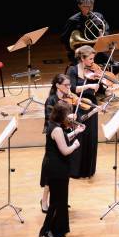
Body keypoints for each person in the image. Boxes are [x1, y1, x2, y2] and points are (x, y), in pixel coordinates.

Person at [39, 101, 83, 237]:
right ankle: (52, 230)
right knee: (58, 201)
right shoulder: (57, 129)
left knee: (59, 200)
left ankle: (55, 228)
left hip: (55, 167)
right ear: (62, 115)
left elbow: (62, 140)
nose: (70, 117)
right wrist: (75, 145)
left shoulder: (54, 126)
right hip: (57, 168)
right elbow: (64, 150)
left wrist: (75, 132)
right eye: (68, 114)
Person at [67, 46, 102, 178]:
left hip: (91, 105)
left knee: (90, 137)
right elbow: (72, 88)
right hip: (79, 106)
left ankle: (89, 170)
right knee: (79, 137)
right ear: (82, 58)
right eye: (90, 59)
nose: (93, 62)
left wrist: (100, 84)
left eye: (93, 58)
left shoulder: (92, 70)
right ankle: (76, 170)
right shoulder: (72, 70)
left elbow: (99, 87)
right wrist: (88, 85)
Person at [41, 74, 73, 213]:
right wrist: (66, 119)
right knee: (51, 175)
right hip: (54, 139)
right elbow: (50, 121)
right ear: (58, 85)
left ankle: (60, 200)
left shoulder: (68, 98)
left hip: (65, 135)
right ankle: (44, 200)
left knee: (63, 174)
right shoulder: (51, 100)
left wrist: (71, 120)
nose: (69, 87)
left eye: (69, 85)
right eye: (66, 85)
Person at [60, 0, 110, 66]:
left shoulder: (99, 17)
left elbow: (107, 30)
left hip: (96, 50)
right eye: (85, 6)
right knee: (86, 69)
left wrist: (103, 36)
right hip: (79, 53)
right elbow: (64, 38)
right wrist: (74, 49)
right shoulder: (73, 20)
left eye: (91, 6)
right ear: (79, 6)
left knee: (114, 66)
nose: (89, 9)